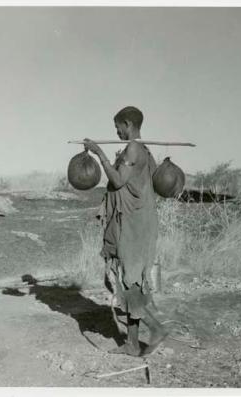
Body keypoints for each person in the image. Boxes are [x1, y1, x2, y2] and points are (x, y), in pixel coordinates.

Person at [84, 106, 167, 357]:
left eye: (117, 126)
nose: (116, 131)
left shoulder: (134, 148)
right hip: (135, 222)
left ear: (128, 123)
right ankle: (131, 343)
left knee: (131, 279)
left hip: (135, 224)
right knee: (130, 280)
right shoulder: (141, 150)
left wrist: (99, 153)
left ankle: (156, 329)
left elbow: (119, 181)